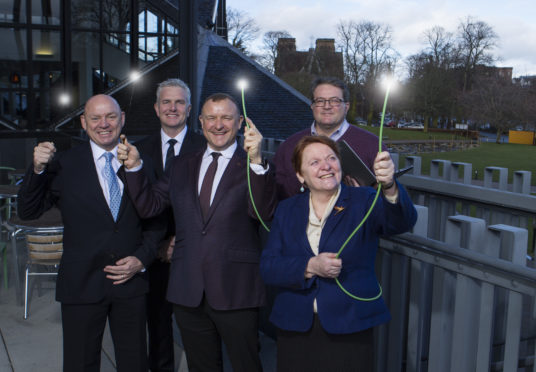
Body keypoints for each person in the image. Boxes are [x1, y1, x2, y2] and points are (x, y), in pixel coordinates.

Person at [118, 93, 277, 372]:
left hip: (236, 289)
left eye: (226, 118)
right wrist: (134, 167)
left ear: (240, 123)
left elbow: (262, 214)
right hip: (187, 289)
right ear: (200, 122)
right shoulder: (181, 164)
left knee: (246, 365)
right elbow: (149, 206)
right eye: (211, 118)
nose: (218, 125)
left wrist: (256, 161)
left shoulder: (255, 165)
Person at [17, 94, 164, 371]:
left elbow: (156, 220)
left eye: (110, 116)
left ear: (122, 119)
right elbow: (28, 210)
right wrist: (37, 168)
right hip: (81, 284)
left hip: (130, 283)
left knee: (135, 363)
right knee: (79, 364)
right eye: (95, 118)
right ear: (84, 123)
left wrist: (142, 259)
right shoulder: (64, 164)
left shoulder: (141, 162)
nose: (104, 124)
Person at [260, 136, 417, 372]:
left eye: (331, 158)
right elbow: (269, 267)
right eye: (314, 162)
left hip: (350, 324)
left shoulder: (363, 199)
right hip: (294, 325)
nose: (325, 166)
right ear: (300, 176)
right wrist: (310, 266)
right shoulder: (287, 209)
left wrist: (389, 186)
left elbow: (401, 222)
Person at [136, 78, 205, 372]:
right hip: (154, 253)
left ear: (189, 109)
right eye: (166, 102)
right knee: (158, 326)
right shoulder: (138, 150)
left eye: (179, 102)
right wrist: (158, 245)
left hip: (195, 253)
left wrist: (181, 240)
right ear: (156, 108)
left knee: (200, 329)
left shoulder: (207, 146)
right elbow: (136, 204)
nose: (172, 108)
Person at [273, 76, 383, 199]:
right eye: (320, 101)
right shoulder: (289, 146)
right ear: (312, 106)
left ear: (346, 107)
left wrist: (363, 195)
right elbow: (276, 197)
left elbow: (388, 204)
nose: (327, 106)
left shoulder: (373, 145)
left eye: (335, 101)